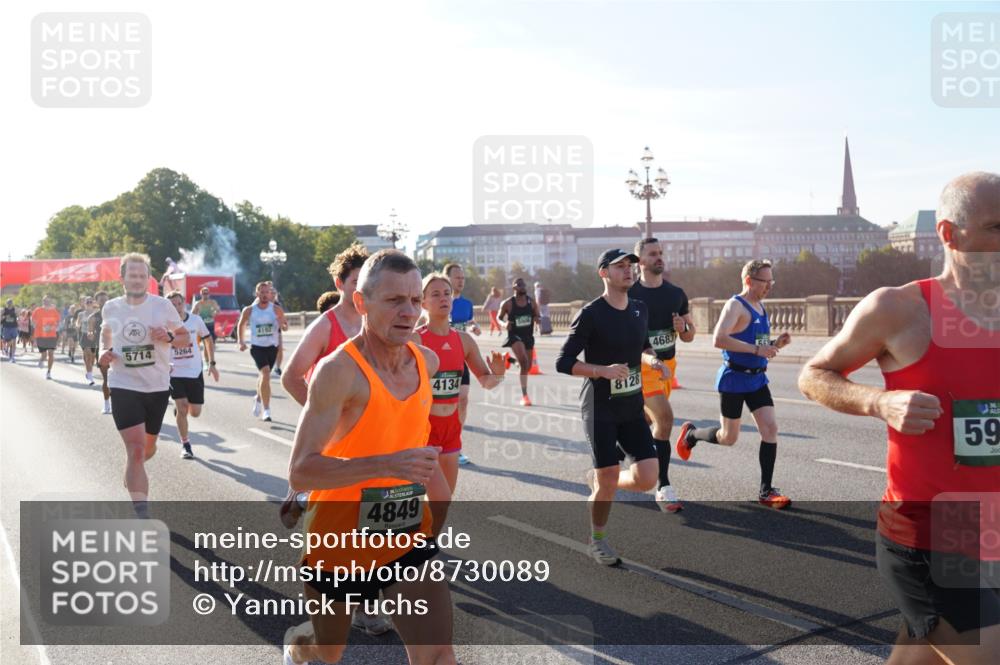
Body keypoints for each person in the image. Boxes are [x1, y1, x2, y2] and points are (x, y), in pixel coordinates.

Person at [798, 171, 1000, 664]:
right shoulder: (899, 309)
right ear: (951, 235)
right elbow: (814, 374)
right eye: (998, 227)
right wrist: (879, 402)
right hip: (930, 533)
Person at [282, 250, 455, 665]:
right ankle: (296, 647)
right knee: (328, 649)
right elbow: (301, 470)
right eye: (394, 301)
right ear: (361, 303)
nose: (409, 311)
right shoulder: (338, 372)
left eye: (415, 301)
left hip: (405, 533)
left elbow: (416, 436)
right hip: (338, 539)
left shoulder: (424, 362)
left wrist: (432, 518)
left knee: (437, 654)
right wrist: (386, 464)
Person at [556, 248, 669, 565]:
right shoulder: (592, 313)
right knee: (607, 478)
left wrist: (653, 360)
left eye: (630, 266)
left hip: (632, 404)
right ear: (603, 273)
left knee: (648, 477)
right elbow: (563, 362)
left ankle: (601, 480)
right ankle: (597, 540)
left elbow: (643, 345)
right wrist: (601, 371)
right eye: (619, 267)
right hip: (600, 406)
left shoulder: (639, 309)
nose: (628, 271)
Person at [674, 259, 793, 509]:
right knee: (728, 438)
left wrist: (774, 344)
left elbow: (755, 342)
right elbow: (719, 339)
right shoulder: (735, 305)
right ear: (749, 281)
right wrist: (756, 349)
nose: (770, 286)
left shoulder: (760, 306)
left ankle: (766, 491)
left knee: (770, 429)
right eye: (765, 282)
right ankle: (692, 434)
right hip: (734, 379)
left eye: (772, 281)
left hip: (758, 379)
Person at [99, 253, 189, 516]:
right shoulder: (111, 307)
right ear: (122, 278)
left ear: (148, 279)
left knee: (147, 449)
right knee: (136, 449)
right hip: (123, 384)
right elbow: (106, 333)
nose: (137, 280)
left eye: (142, 276)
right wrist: (104, 350)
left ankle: (133, 468)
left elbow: (184, 338)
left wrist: (170, 335)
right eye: (132, 276)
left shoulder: (162, 306)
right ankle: (142, 513)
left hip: (157, 386)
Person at [415, 273, 506, 491]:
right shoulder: (414, 339)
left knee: (446, 498)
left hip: (451, 429)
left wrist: (499, 375)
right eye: (435, 294)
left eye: (447, 293)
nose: (443, 298)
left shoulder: (464, 340)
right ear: (423, 302)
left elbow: (486, 381)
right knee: (433, 498)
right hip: (423, 428)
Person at [629, 237, 696, 513]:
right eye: (653, 254)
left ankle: (630, 453)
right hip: (643, 367)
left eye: (660, 253)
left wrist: (683, 328)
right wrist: (650, 359)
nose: (659, 258)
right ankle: (664, 486)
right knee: (665, 419)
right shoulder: (631, 294)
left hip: (668, 366)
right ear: (640, 261)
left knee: (648, 422)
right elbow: (627, 340)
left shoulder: (676, 294)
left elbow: (690, 336)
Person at [166, 290, 219, 459]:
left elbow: (208, 339)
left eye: (179, 303)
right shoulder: (164, 324)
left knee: (195, 412)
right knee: (182, 407)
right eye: (172, 305)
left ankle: (180, 411)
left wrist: (211, 363)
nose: (176, 307)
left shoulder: (195, 320)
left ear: (184, 304)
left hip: (194, 371)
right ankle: (186, 444)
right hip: (174, 372)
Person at [237, 281, 287, 422]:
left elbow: (285, 325)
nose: (265, 295)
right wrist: (240, 341)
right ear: (257, 293)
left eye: (267, 292)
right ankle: (267, 410)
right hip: (257, 347)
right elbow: (241, 324)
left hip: (272, 347)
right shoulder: (250, 310)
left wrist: (283, 326)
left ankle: (258, 397)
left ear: (270, 294)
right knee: (265, 373)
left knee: (264, 377)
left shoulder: (276, 309)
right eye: (262, 292)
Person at [498, 277, 540, 407]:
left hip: (528, 336)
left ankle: (509, 359)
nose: (523, 287)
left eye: (524, 285)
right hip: (515, 336)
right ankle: (524, 395)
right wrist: (504, 324)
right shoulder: (508, 303)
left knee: (526, 367)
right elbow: (498, 318)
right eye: (519, 285)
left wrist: (538, 319)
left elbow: (537, 315)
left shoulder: (531, 302)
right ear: (514, 288)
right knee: (524, 362)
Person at [31, 296, 60, 379]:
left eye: (48, 301)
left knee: (51, 353)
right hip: (40, 335)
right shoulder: (38, 310)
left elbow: (58, 322)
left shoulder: (54, 311)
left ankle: (49, 372)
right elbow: (33, 321)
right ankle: (41, 360)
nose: (46, 302)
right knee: (44, 355)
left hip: (51, 335)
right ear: (42, 302)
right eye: (44, 301)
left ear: (50, 301)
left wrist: (52, 327)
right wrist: (36, 326)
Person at [192, 286, 220, 364]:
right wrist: (197, 317)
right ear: (201, 294)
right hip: (202, 326)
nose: (206, 295)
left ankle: (208, 359)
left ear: (209, 294)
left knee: (211, 344)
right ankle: (207, 361)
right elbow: (192, 314)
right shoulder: (198, 303)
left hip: (211, 325)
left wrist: (214, 313)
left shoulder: (212, 302)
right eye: (204, 293)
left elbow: (218, 310)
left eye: (207, 293)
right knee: (206, 343)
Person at [79, 296, 100, 385]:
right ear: (85, 303)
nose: (89, 303)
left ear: (93, 303)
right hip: (84, 335)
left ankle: (89, 370)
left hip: (93, 337)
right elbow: (77, 322)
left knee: (92, 357)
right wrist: (76, 325)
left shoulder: (96, 314)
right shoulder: (81, 314)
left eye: (91, 302)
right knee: (87, 356)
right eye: (87, 302)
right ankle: (90, 376)